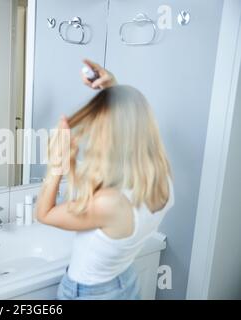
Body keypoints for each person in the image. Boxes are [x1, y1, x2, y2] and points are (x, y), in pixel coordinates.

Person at [36, 59, 175, 300]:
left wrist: (56, 163)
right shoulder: (162, 178)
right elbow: (131, 120)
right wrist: (112, 87)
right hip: (124, 280)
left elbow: (44, 214)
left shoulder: (109, 204)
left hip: (90, 293)